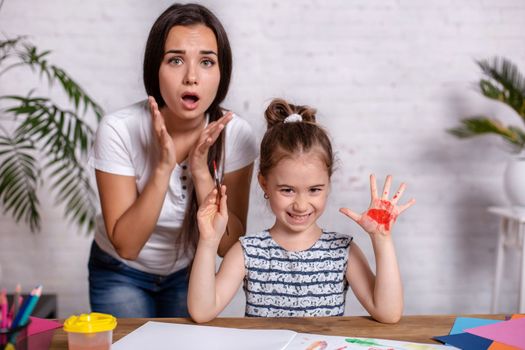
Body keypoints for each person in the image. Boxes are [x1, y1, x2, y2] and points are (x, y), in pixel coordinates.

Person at [88, 3, 258, 317]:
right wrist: (163, 167)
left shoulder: (236, 135)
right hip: (120, 271)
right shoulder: (118, 130)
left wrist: (201, 172)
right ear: (155, 68)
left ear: (222, 73)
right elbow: (127, 245)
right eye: (176, 60)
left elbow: (228, 246)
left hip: (188, 272)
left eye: (207, 62)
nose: (191, 77)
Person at [188, 98, 415, 322]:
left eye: (314, 189)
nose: (301, 204)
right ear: (264, 183)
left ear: (329, 184)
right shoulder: (248, 252)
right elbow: (202, 311)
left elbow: (388, 313)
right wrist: (208, 241)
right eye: (287, 190)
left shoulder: (342, 251)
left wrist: (382, 239)